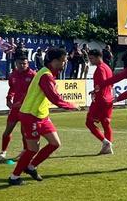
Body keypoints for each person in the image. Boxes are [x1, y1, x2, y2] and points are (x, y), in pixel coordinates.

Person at [7, 48, 80, 186]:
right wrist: (71, 105)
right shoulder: (45, 75)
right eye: (63, 61)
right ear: (54, 61)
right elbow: (54, 98)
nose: (64, 64)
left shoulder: (47, 73)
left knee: (55, 143)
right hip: (30, 115)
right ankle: (14, 177)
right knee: (32, 149)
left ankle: (31, 166)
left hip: (42, 115)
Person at [0, 56, 36, 161]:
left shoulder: (33, 75)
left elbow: (33, 92)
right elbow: (12, 88)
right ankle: (3, 152)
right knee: (7, 131)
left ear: (28, 64)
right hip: (15, 109)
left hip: (27, 108)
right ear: (16, 64)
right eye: (20, 63)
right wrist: (9, 99)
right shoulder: (13, 75)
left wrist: (22, 102)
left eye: (24, 63)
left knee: (24, 133)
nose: (22, 65)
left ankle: (25, 152)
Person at [86, 49, 115, 155]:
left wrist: (95, 92)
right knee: (106, 123)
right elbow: (110, 84)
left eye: (91, 58)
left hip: (100, 100)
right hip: (109, 99)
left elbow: (102, 83)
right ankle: (108, 147)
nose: (90, 61)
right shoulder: (107, 68)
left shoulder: (100, 69)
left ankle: (105, 142)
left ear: (98, 57)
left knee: (89, 122)